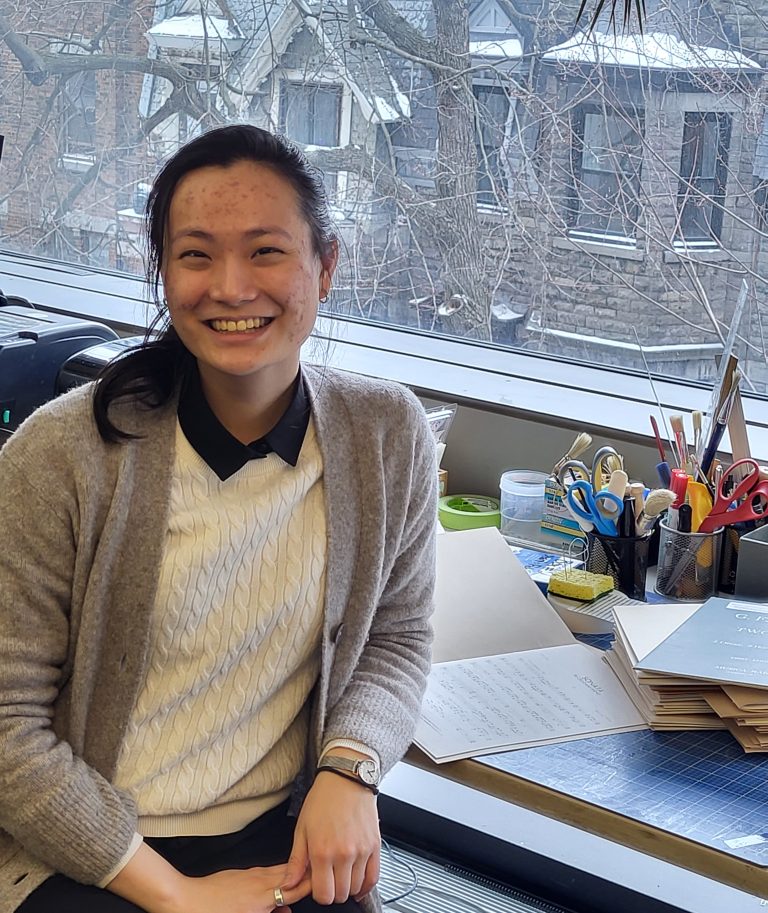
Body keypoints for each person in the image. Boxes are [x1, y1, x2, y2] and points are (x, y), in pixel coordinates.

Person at [0, 125, 437, 913]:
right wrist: (174, 893)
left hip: (280, 834)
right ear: (163, 271)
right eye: (196, 254)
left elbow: (398, 637)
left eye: (267, 251)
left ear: (326, 266)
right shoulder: (63, 455)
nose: (231, 287)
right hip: (85, 846)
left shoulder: (386, 434)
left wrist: (351, 765)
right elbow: (5, 725)